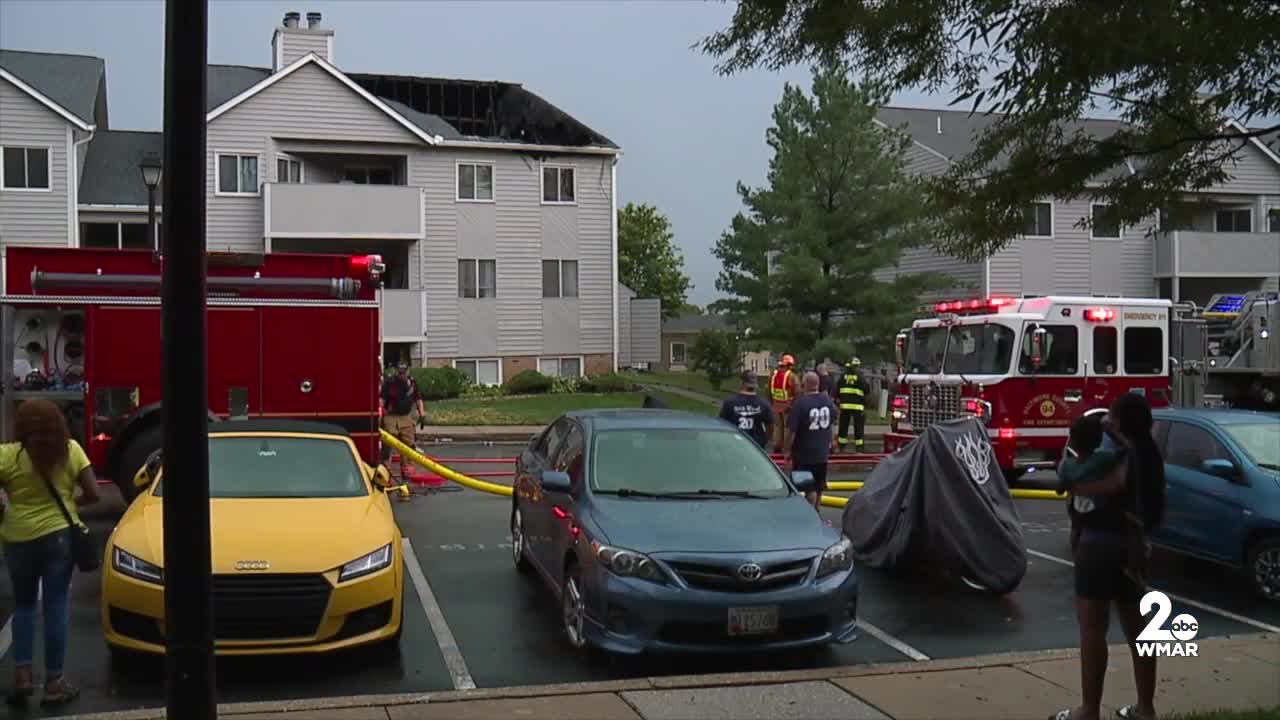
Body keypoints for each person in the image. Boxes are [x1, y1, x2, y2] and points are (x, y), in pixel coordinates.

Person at [1051, 392, 1166, 720]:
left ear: (1120, 421)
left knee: (1092, 628)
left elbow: (1114, 485)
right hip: (1133, 549)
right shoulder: (1149, 453)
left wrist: (1075, 487)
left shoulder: (1122, 457)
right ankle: (1145, 708)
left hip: (1099, 544)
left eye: (1112, 416)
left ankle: (1089, 710)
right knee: (1138, 631)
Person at [1, 399, 100, 709]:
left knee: (24, 605)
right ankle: (54, 683)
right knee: (56, 606)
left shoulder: (8, 455)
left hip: (18, 537)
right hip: (59, 537)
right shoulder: (71, 450)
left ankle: (22, 676)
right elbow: (94, 494)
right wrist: (71, 503)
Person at [785, 372, 837, 510]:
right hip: (822, 452)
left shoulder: (800, 404)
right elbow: (831, 422)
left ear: (805, 384)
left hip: (804, 453)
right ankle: (817, 510)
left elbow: (791, 431)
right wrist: (832, 441)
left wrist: (787, 450)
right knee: (819, 485)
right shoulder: (828, 401)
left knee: (809, 487)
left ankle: (810, 513)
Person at [381, 360, 426, 481]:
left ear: (408, 371)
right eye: (400, 372)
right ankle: (385, 472)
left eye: (404, 372)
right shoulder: (389, 383)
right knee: (388, 444)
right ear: (397, 371)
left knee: (409, 444)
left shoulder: (412, 383)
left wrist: (422, 414)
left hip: (405, 417)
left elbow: (418, 399)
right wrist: (380, 415)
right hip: (391, 416)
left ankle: (407, 471)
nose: (402, 375)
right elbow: (382, 400)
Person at [719, 370, 774, 448]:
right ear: (756, 384)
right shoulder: (764, 404)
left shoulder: (729, 402)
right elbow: (770, 426)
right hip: (756, 446)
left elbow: (722, 423)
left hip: (734, 443)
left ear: (742, 382)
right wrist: (766, 440)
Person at [768, 354, 800, 453]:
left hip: (776, 406)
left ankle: (777, 446)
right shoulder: (792, 376)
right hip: (788, 407)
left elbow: (769, 392)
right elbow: (797, 392)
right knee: (788, 428)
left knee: (778, 427)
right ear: (789, 365)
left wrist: (772, 404)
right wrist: (794, 406)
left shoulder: (773, 376)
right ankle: (786, 449)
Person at [836, 357, 868, 453]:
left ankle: (841, 446)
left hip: (845, 406)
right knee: (858, 427)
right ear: (857, 366)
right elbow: (866, 389)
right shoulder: (860, 376)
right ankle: (859, 447)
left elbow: (837, 389)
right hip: (857, 406)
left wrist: (841, 399)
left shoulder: (843, 376)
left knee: (843, 426)